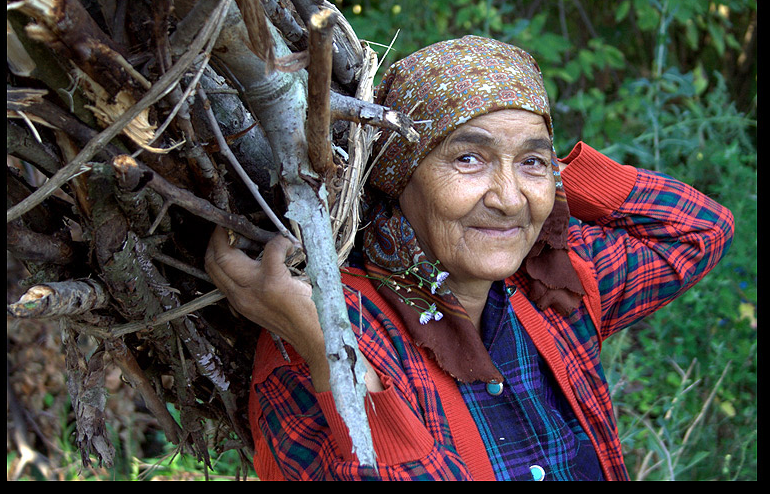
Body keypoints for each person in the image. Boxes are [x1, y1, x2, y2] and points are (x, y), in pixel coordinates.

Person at [204, 36, 734, 480]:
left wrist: (543, 171)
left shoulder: (551, 288)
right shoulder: (321, 333)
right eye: (467, 157)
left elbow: (699, 230)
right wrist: (331, 355)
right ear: (399, 172)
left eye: (532, 162)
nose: (507, 198)